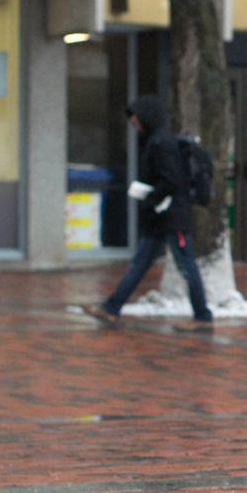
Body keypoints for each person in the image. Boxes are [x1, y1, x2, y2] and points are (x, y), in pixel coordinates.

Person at [86, 94, 214, 331]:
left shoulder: (161, 143)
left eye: (135, 116)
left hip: (173, 217)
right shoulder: (155, 141)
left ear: (147, 115)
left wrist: (150, 198)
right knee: (140, 263)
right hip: (160, 217)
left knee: (186, 266)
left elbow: (172, 181)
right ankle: (111, 308)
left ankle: (203, 317)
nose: (133, 121)